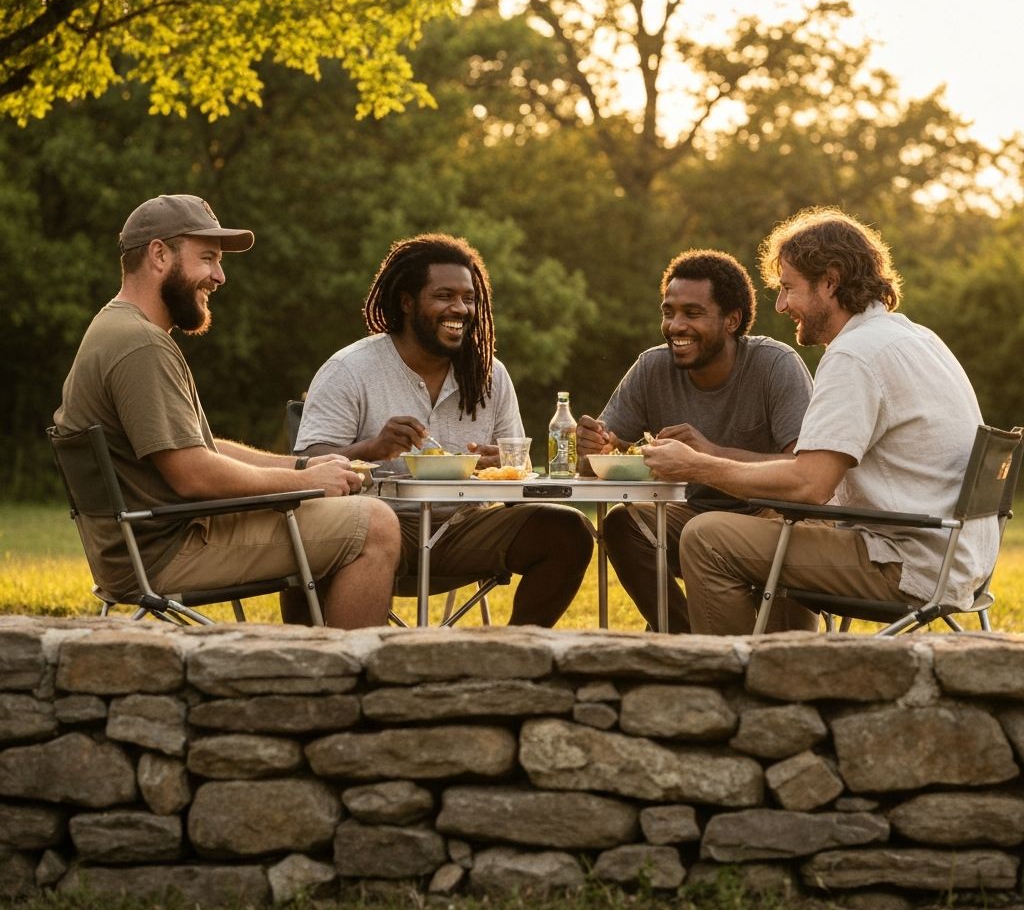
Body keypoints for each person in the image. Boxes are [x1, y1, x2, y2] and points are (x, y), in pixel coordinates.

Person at [643, 207, 999, 635]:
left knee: (707, 537)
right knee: (771, 527)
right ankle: (782, 667)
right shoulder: (916, 337)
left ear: (829, 282)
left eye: (788, 288)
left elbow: (810, 485)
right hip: (959, 557)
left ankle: (731, 684)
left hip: (906, 563)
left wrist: (697, 465)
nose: (780, 304)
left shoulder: (855, 355)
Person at [53, 193, 399, 628]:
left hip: (148, 542)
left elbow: (203, 451)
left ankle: (312, 670)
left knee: (325, 513)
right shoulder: (140, 345)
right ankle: (352, 684)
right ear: (159, 254)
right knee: (375, 524)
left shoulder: (118, 329)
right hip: (169, 550)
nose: (219, 276)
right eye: (208, 258)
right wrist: (303, 483)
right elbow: (194, 474)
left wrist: (301, 464)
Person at [295, 233, 593, 626]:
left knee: (567, 530)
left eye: (469, 298)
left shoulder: (490, 375)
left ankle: (514, 660)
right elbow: (304, 468)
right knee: (311, 537)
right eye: (444, 296)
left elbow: (517, 482)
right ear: (407, 302)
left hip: (463, 527)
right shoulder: (350, 369)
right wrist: (372, 447)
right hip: (376, 528)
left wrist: (501, 465)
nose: (461, 308)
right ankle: (355, 666)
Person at [577, 248, 813, 632]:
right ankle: (682, 639)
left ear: (732, 320)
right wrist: (591, 450)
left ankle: (776, 649)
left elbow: (805, 471)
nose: (675, 326)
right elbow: (596, 462)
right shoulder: (652, 367)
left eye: (692, 313)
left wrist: (710, 455)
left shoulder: (775, 365)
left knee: (787, 649)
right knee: (625, 523)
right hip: (689, 515)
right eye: (668, 312)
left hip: (769, 515)